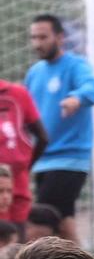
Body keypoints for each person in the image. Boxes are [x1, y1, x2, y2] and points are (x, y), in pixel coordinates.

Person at [23, 14, 94, 242]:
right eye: (34, 37)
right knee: (64, 223)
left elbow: (93, 88)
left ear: (59, 37)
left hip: (69, 158)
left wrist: (76, 98)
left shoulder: (76, 66)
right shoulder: (34, 73)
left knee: (40, 225)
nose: (37, 43)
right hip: (41, 159)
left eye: (43, 37)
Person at [0, 74, 45, 224]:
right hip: (18, 182)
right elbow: (43, 137)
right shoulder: (19, 93)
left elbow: (43, 138)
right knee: (18, 243)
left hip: (17, 185)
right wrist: (23, 168)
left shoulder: (18, 94)